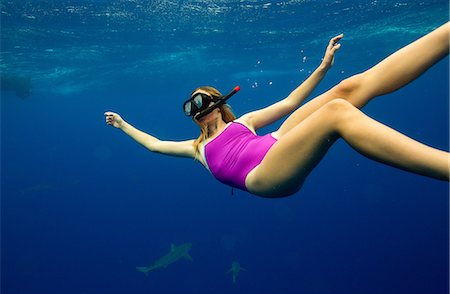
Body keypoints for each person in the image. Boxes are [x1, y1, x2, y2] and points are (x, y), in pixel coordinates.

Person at [105, 23, 449, 198]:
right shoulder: (197, 150)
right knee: (337, 113)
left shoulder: (245, 122)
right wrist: (123, 125)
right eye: (191, 106)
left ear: (218, 103)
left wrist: (324, 67)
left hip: (276, 141)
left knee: (345, 90)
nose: (197, 110)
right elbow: (153, 144)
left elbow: (288, 104)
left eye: (202, 101)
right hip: (264, 177)